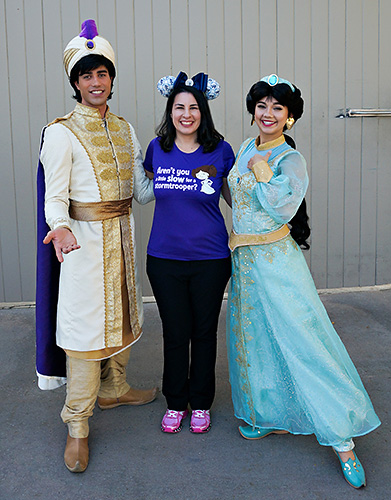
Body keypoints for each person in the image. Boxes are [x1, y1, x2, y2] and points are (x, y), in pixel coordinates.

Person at [226, 74, 380, 488]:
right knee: (257, 339)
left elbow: (281, 207)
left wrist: (261, 171)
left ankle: (342, 440)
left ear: (290, 117)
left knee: (304, 342)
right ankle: (270, 414)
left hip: (276, 262)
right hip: (245, 263)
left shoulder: (289, 159)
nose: (268, 114)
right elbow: (235, 196)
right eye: (262, 106)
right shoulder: (245, 147)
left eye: (277, 108)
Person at [36, 19, 157, 473]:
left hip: (123, 241)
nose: (95, 82)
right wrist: (60, 228)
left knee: (126, 317)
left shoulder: (126, 130)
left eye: (102, 73)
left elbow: (143, 191)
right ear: (75, 83)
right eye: (86, 75)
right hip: (84, 249)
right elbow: (55, 197)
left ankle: (115, 390)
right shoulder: (61, 131)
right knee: (85, 336)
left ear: (111, 78)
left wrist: (183, 170)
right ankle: (77, 427)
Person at [144, 72, 234, 433]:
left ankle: (201, 402)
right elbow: (145, 187)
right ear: (170, 110)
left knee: (204, 331)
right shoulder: (157, 149)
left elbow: (235, 199)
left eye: (193, 107)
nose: (186, 114)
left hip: (210, 259)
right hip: (164, 259)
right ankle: (175, 401)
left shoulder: (221, 150)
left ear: (203, 112)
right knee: (175, 331)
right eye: (179, 107)